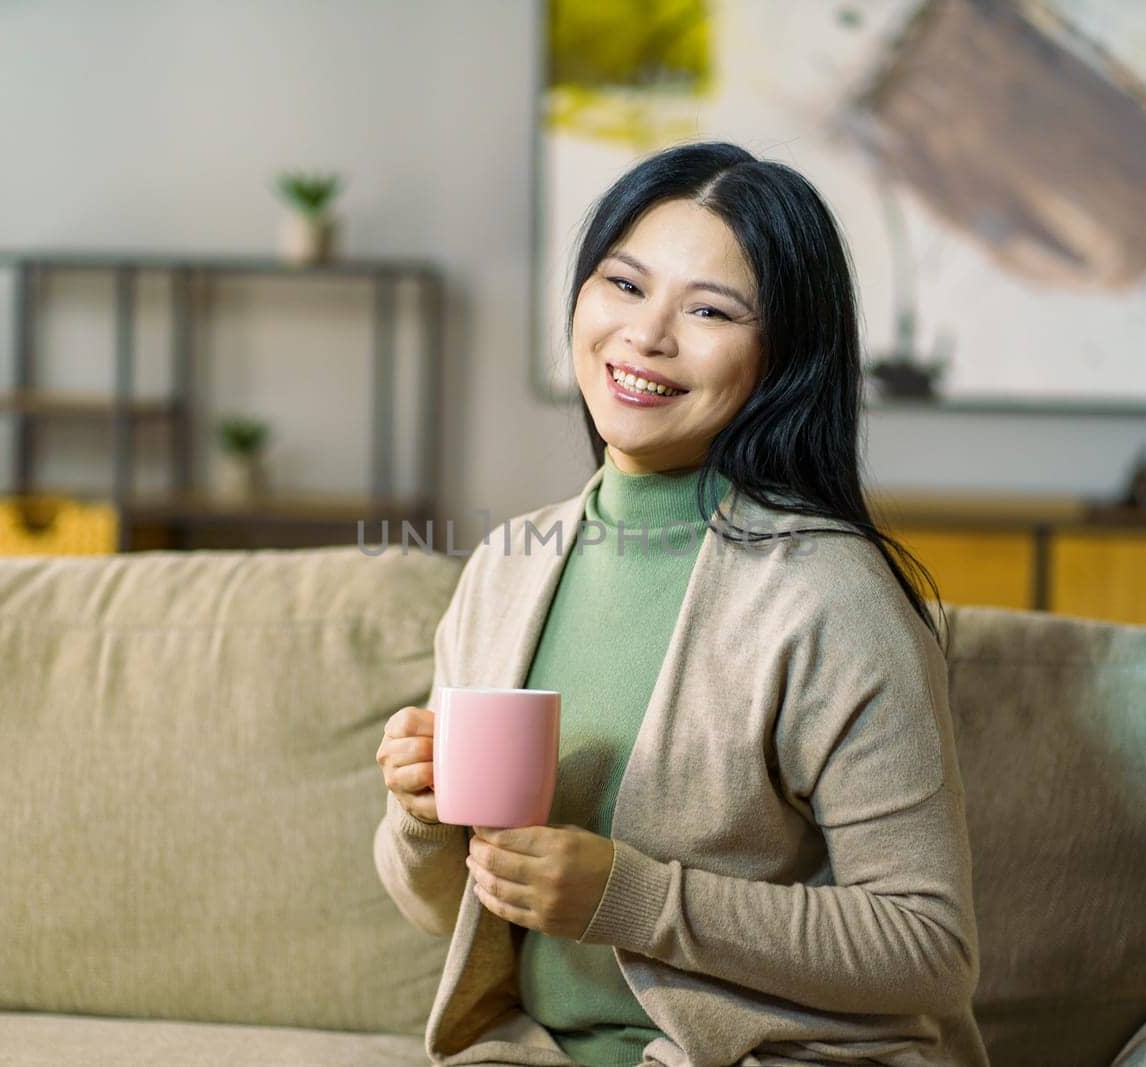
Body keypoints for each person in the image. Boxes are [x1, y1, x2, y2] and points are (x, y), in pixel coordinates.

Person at [375, 140, 988, 1067]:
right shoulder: (507, 567)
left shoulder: (829, 596)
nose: (646, 336)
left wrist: (636, 897)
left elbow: (930, 948)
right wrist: (423, 816)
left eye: (708, 310)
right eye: (624, 285)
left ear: (782, 356)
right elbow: (440, 913)